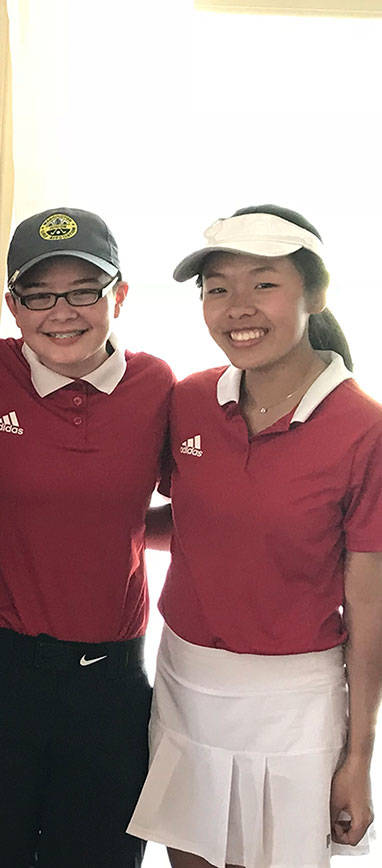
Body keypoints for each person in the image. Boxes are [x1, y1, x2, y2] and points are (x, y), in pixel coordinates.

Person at [127, 205, 380, 868]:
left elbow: (370, 603)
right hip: (185, 679)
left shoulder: (363, 428)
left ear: (315, 293)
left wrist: (358, 759)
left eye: (264, 283)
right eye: (217, 288)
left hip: (292, 700)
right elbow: (192, 522)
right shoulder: (189, 399)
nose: (238, 307)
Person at [0, 208, 173, 866]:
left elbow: (204, 510)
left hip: (109, 683)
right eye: (39, 294)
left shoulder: (158, 387)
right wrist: (1, 550)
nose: (61, 312)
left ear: (119, 296)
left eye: (84, 291)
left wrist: (114, 537)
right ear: (13, 305)